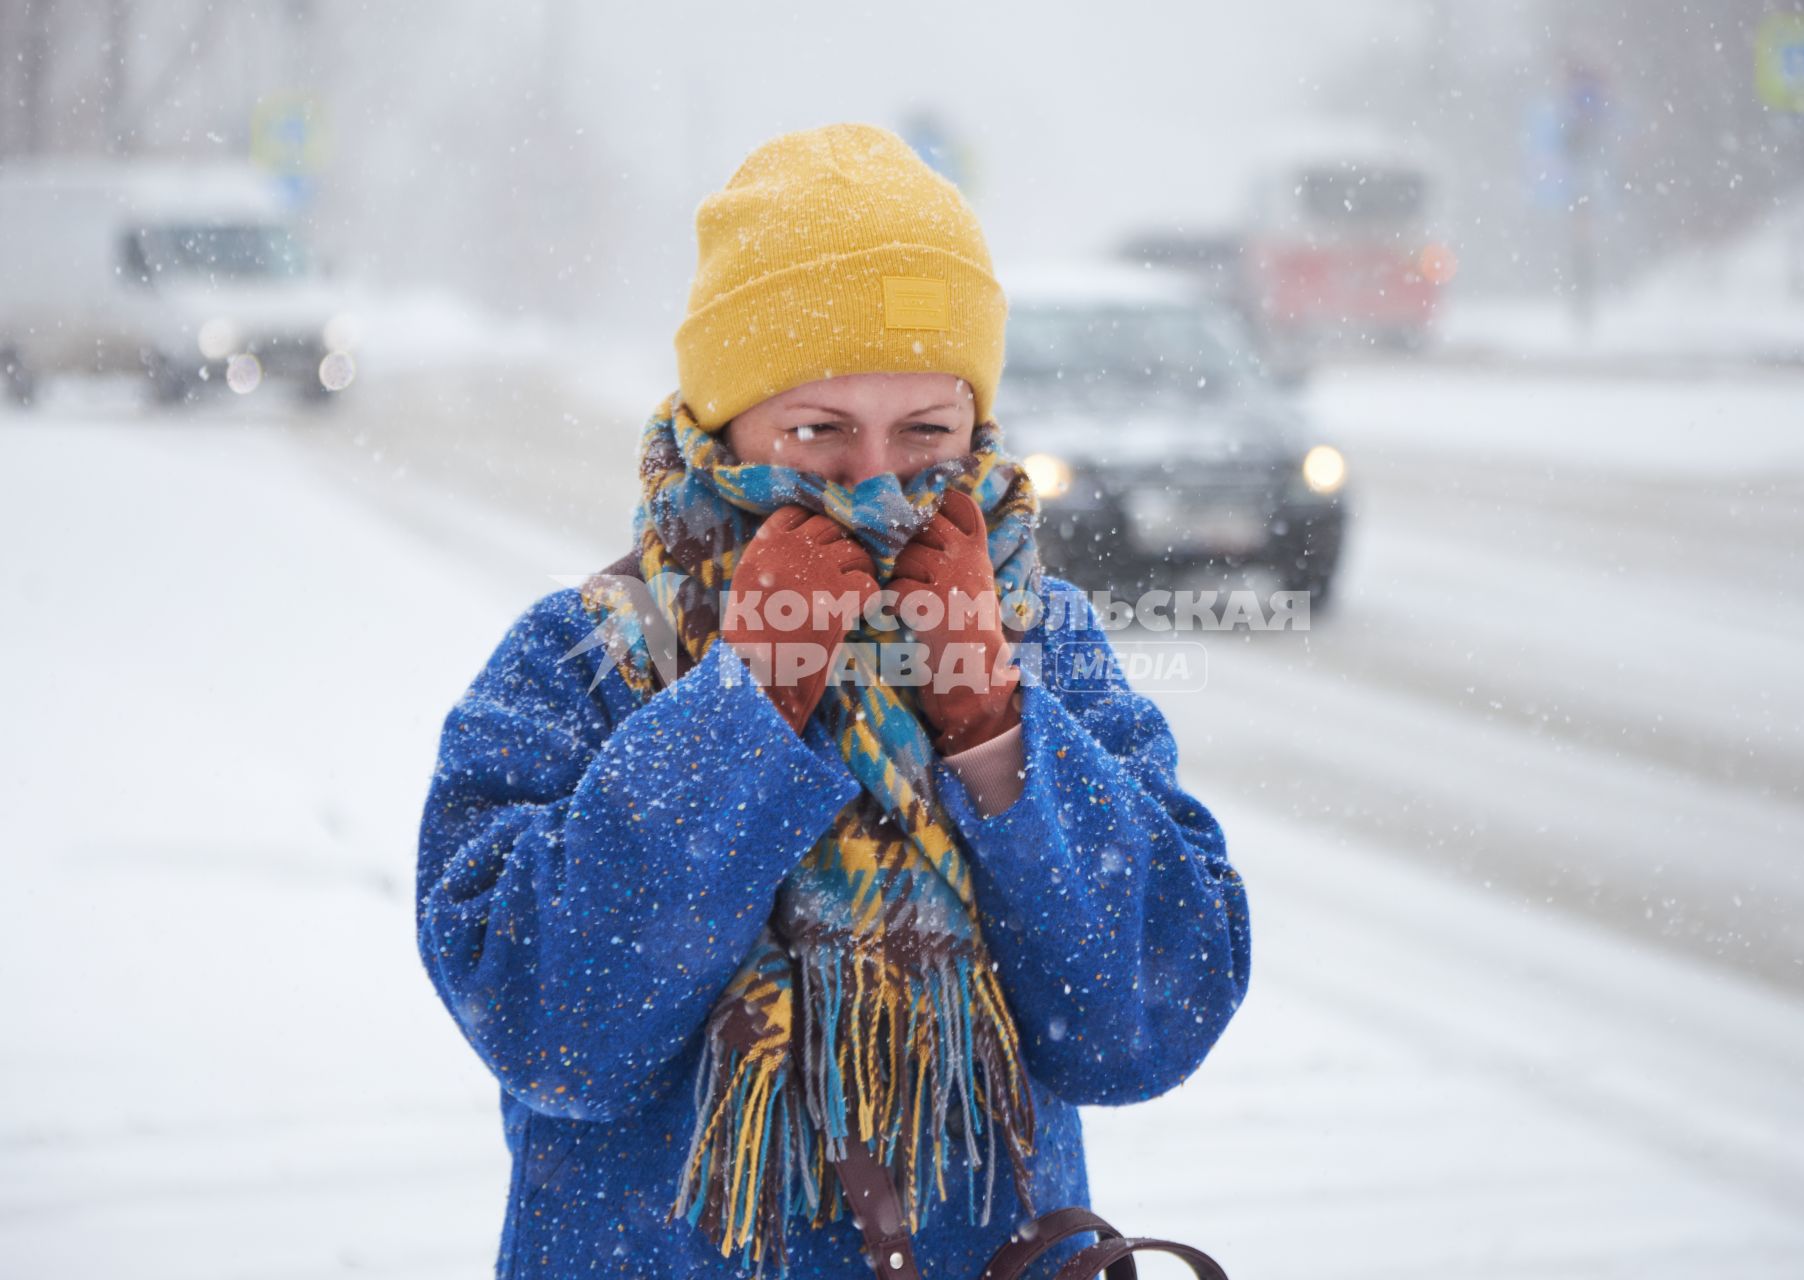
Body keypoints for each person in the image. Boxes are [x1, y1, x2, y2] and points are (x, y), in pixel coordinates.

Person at [415, 122, 1251, 1280]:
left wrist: (993, 720)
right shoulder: (584, 657)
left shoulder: (1040, 640)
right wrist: (744, 706)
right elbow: (555, 1027)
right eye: (816, 433)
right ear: (726, 426)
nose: (875, 487)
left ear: (977, 430)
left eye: (924, 435)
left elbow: (1152, 1013)